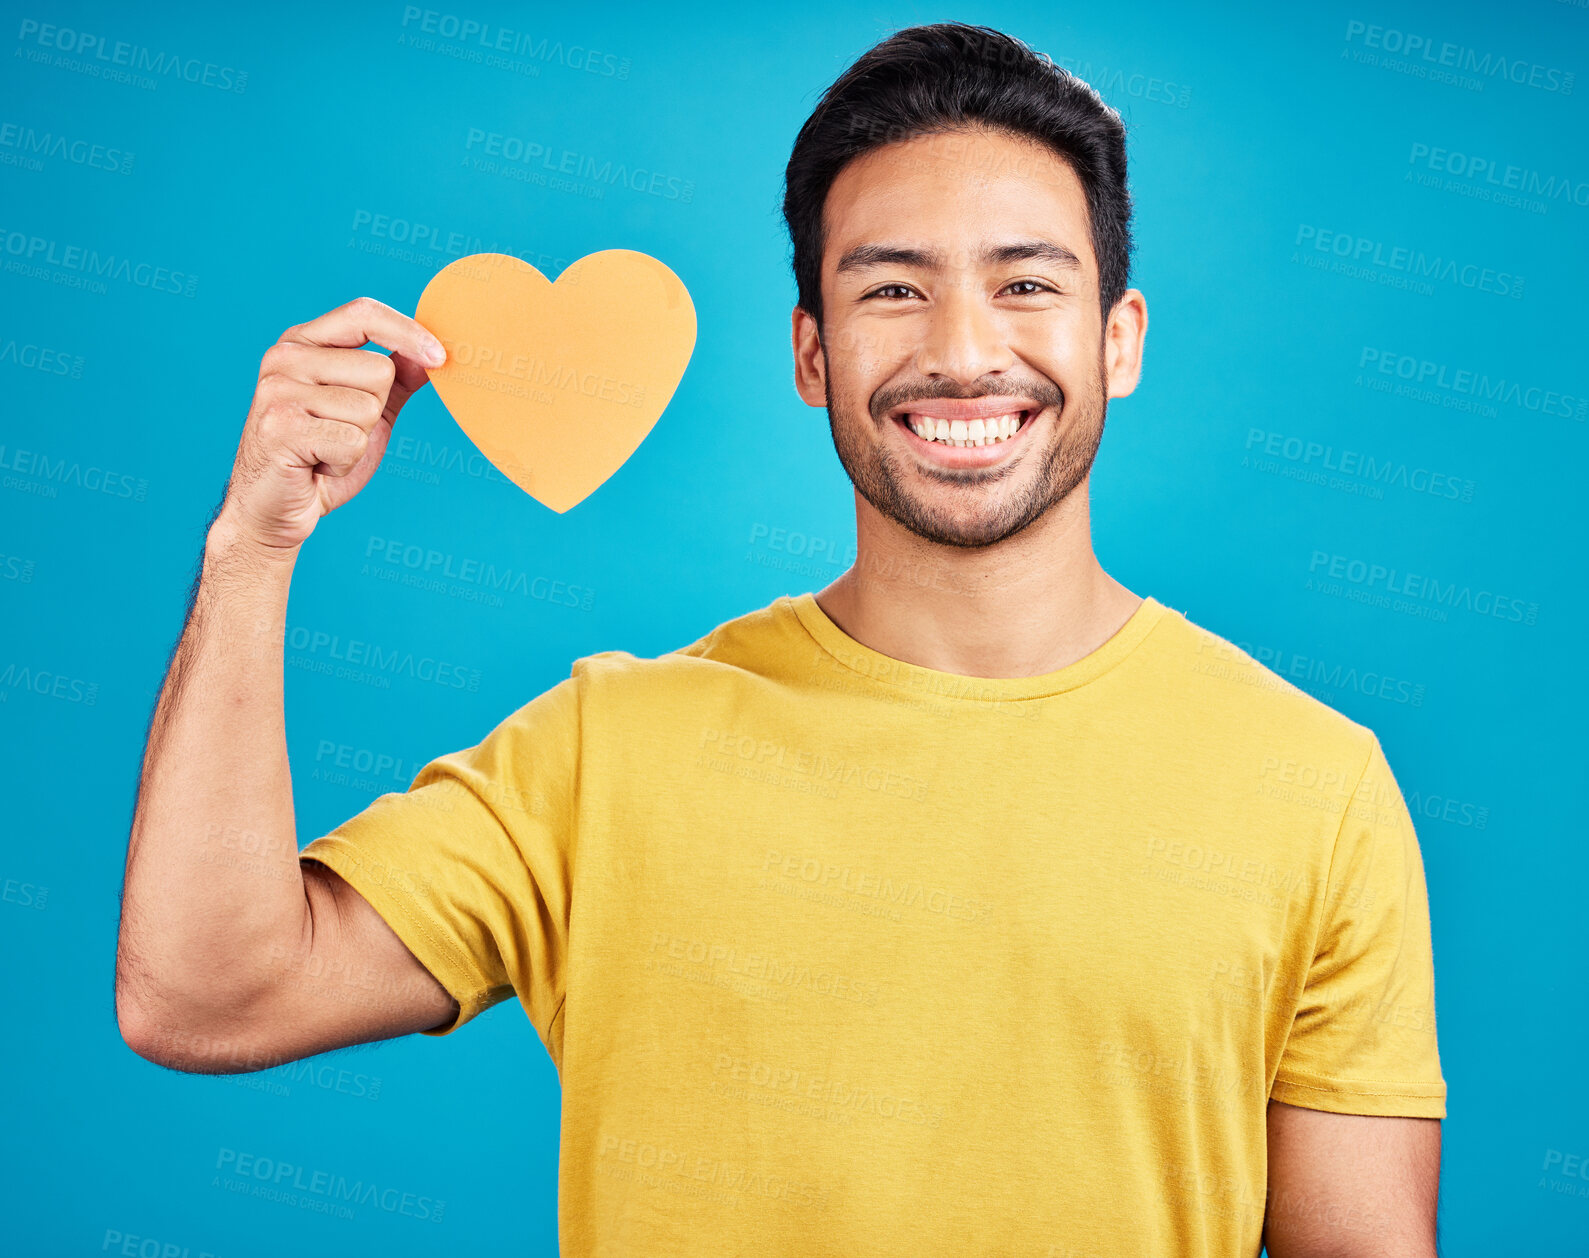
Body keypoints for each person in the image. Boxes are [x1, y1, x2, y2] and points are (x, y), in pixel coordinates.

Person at [116, 22, 1446, 1257]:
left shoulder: (1312, 784)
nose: (963, 350)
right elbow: (203, 998)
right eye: (890, 290)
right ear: (811, 351)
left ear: (1119, 338)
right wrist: (254, 547)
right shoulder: (607, 750)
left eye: (1025, 282)